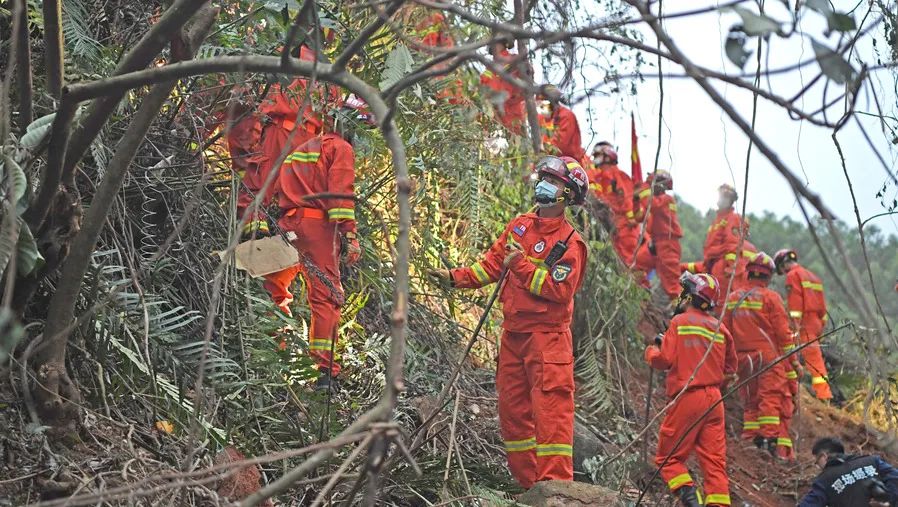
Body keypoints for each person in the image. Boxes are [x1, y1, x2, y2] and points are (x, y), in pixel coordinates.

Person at [430, 156, 589, 488]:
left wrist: (521, 265)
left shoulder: (571, 243)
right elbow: (490, 265)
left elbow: (558, 290)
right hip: (513, 337)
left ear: (568, 194)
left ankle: (556, 492)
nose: (544, 184)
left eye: (553, 181)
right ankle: (530, 488)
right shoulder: (520, 225)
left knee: (551, 420)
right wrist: (452, 278)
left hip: (548, 341)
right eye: (542, 177)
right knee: (514, 417)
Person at [261, 99, 372, 391]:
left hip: (288, 224)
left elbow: (273, 189)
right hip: (318, 228)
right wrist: (349, 235)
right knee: (326, 297)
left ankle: (274, 352)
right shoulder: (341, 149)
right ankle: (325, 372)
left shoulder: (301, 149)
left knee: (274, 288)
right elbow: (340, 196)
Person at [645, 272, 737, 507]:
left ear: (690, 296)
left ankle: (689, 497)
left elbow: (664, 360)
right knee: (715, 464)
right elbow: (730, 369)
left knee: (667, 457)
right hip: (715, 401)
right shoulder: (720, 328)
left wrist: (651, 351)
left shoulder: (680, 322)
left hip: (688, 397)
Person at [241, 44, 343, 237]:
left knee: (267, 176)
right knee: (284, 184)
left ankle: (261, 223)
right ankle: (262, 225)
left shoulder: (290, 53)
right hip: (301, 134)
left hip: (292, 130)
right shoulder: (327, 68)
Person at [722, 252, 798, 461]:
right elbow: (784, 335)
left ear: (748, 273)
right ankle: (768, 442)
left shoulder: (733, 298)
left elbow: (725, 333)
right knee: (770, 399)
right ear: (768, 276)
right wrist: (795, 362)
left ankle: (750, 438)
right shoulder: (771, 298)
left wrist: (728, 365)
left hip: (743, 360)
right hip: (767, 358)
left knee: (751, 400)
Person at [773, 249, 833, 401]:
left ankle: (823, 395)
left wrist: (795, 326)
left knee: (790, 352)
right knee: (813, 358)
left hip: (804, 324)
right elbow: (822, 306)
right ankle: (820, 393)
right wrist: (821, 326)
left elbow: (795, 304)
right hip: (816, 322)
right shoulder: (813, 277)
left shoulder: (793, 276)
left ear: (782, 264)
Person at [799, 437, 898, 506]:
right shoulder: (872, 461)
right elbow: (895, 477)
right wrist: (890, 501)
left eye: (817, 462)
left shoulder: (824, 480)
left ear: (824, 456)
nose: (818, 467)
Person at [633, 170, 682, 305]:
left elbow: (653, 205)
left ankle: (679, 311)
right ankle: (644, 294)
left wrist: (642, 188)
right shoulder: (654, 203)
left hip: (668, 244)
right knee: (637, 265)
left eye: (651, 184)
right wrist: (636, 200)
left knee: (672, 285)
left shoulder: (666, 200)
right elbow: (638, 217)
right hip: (655, 244)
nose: (650, 187)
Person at [700, 184, 749, 305]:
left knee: (721, 303)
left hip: (722, 267)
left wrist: (731, 267)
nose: (721, 199)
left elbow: (733, 245)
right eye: (721, 196)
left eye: (725, 197)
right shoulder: (717, 220)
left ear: (730, 200)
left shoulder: (732, 218)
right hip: (712, 264)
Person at [588, 142, 638, 262]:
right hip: (612, 224)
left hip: (625, 227)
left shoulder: (618, 175)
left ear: (607, 156)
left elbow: (627, 197)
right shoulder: (599, 176)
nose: (595, 159)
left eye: (597, 156)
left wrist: (630, 219)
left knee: (626, 260)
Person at [480, 36, 526, 134]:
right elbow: (481, 93)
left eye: (496, 43)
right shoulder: (488, 71)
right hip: (494, 118)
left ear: (504, 44)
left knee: (516, 143)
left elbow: (525, 83)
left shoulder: (514, 60)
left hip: (511, 115)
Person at [537, 85, 587, 163]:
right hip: (548, 161)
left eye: (543, 104)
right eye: (539, 104)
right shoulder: (541, 118)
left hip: (568, 163)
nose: (541, 107)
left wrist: (540, 152)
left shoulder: (566, 116)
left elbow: (560, 145)